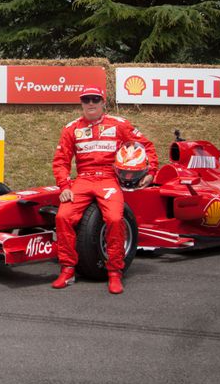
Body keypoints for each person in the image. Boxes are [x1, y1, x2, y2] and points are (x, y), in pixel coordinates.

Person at [51, 86, 157, 294]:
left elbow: (146, 147)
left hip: (109, 179)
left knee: (116, 220)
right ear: (81, 103)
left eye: (95, 99)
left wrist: (151, 171)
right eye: (86, 100)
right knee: (63, 216)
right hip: (83, 179)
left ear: (103, 103)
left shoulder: (119, 125)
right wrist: (64, 185)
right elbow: (61, 160)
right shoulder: (71, 128)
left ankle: (115, 272)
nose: (90, 103)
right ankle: (68, 269)